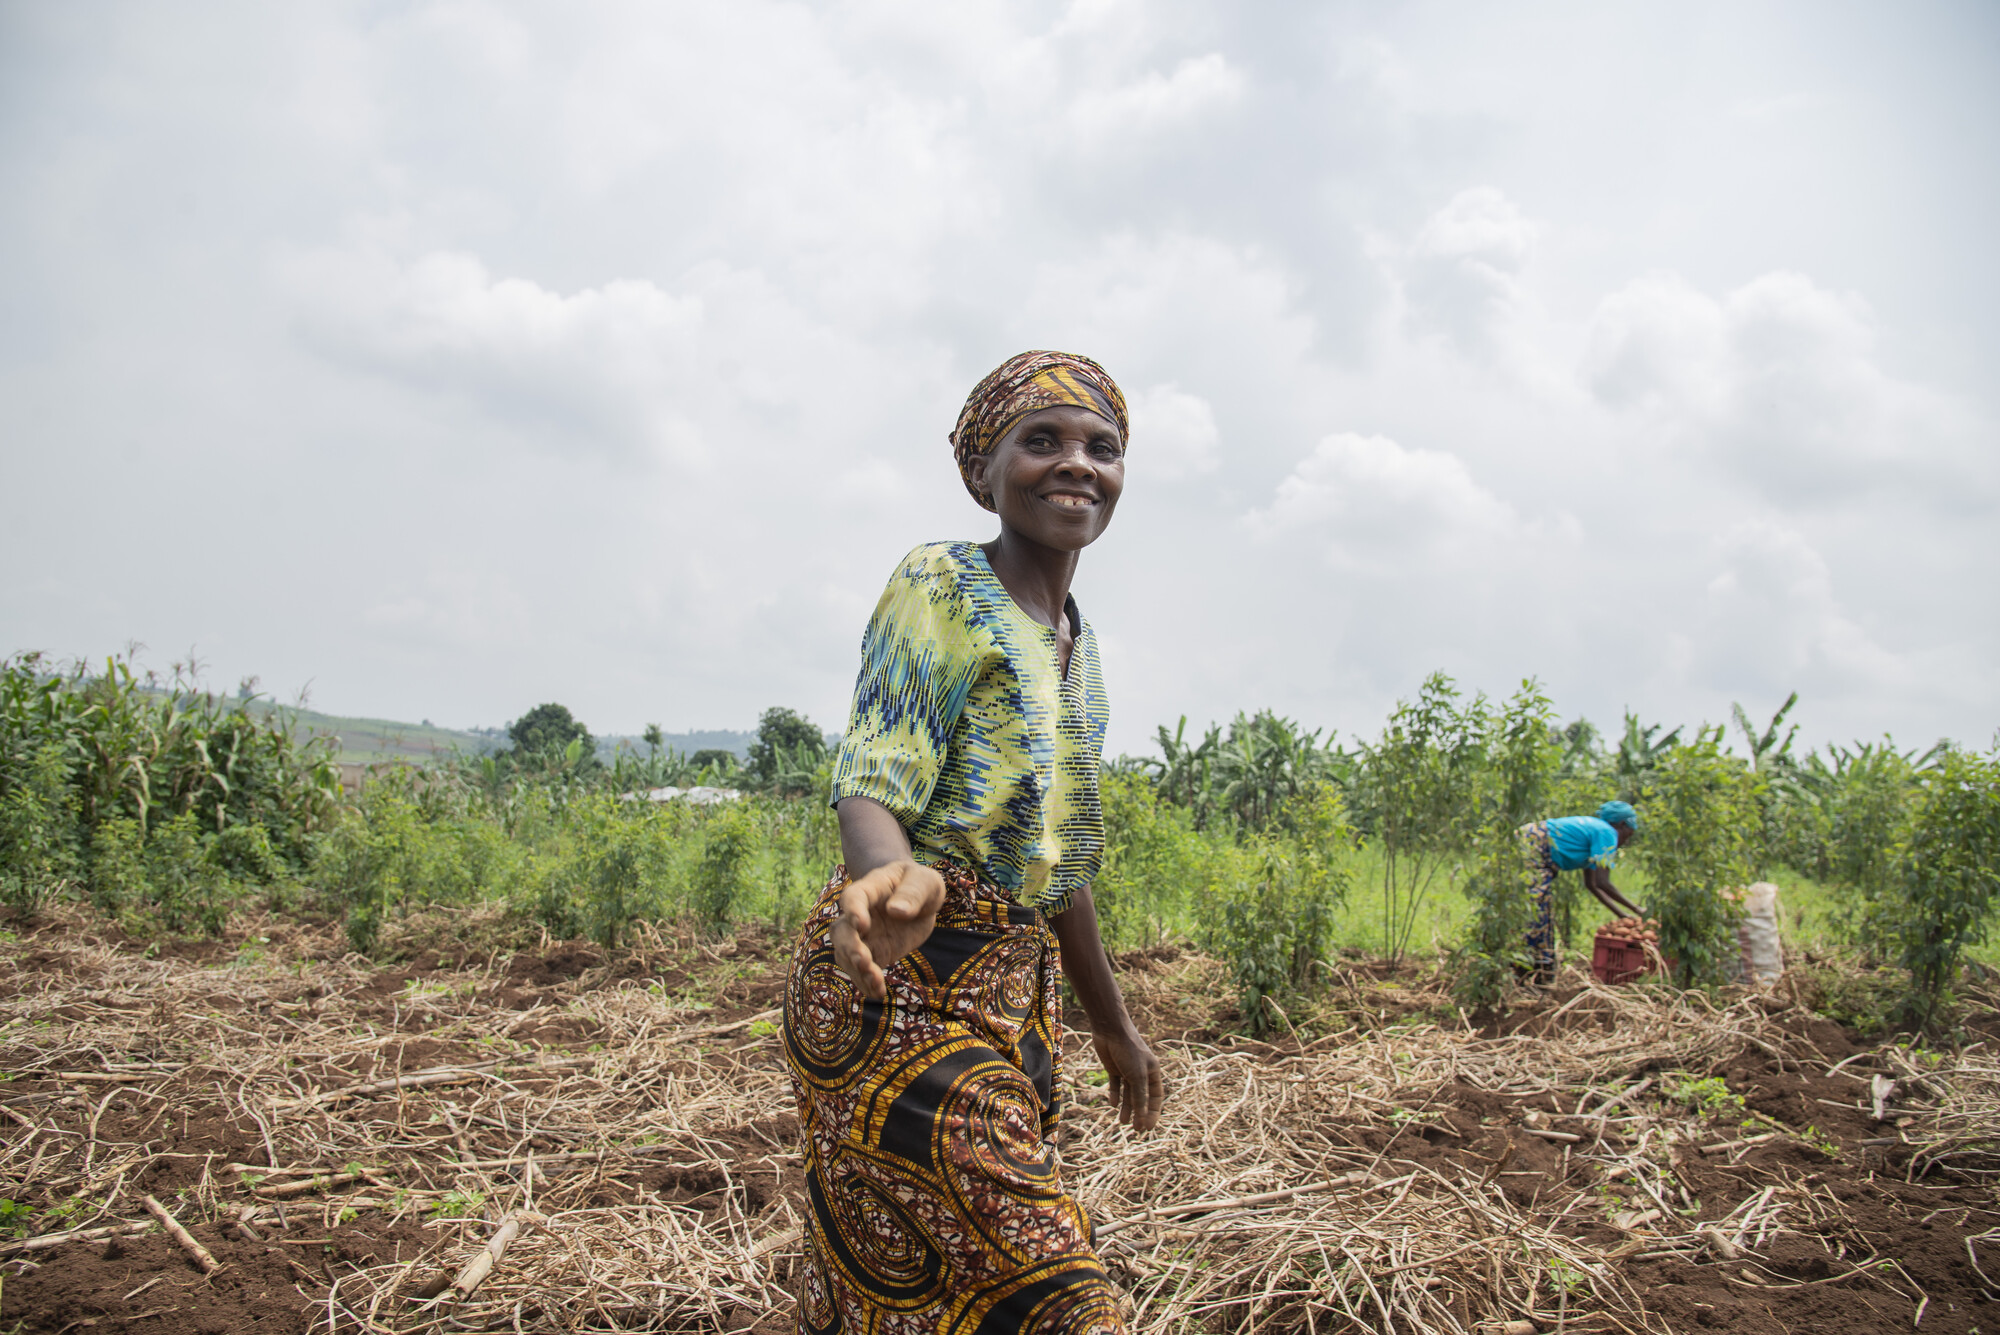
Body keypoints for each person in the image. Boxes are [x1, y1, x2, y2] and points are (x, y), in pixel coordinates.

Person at [781, 350, 1165, 1335]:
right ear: (981, 473)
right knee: (1054, 1289)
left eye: (1101, 447)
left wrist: (1112, 1029)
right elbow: (875, 772)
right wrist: (886, 878)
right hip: (896, 978)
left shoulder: (1079, 648)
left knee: (924, 1288)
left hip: (1011, 999)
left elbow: (1062, 868)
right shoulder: (941, 584)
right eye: (1040, 441)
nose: (1075, 463)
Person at [1518, 800, 1644, 982]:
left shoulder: (1597, 832)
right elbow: (1604, 883)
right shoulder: (1607, 833)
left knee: (1537, 914)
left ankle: (1535, 973)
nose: (1625, 841)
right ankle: (1531, 973)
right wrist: (1637, 910)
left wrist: (1624, 916)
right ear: (1622, 825)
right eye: (1628, 835)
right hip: (1532, 848)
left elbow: (1592, 885)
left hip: (1528, 842)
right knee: (1535, 917)